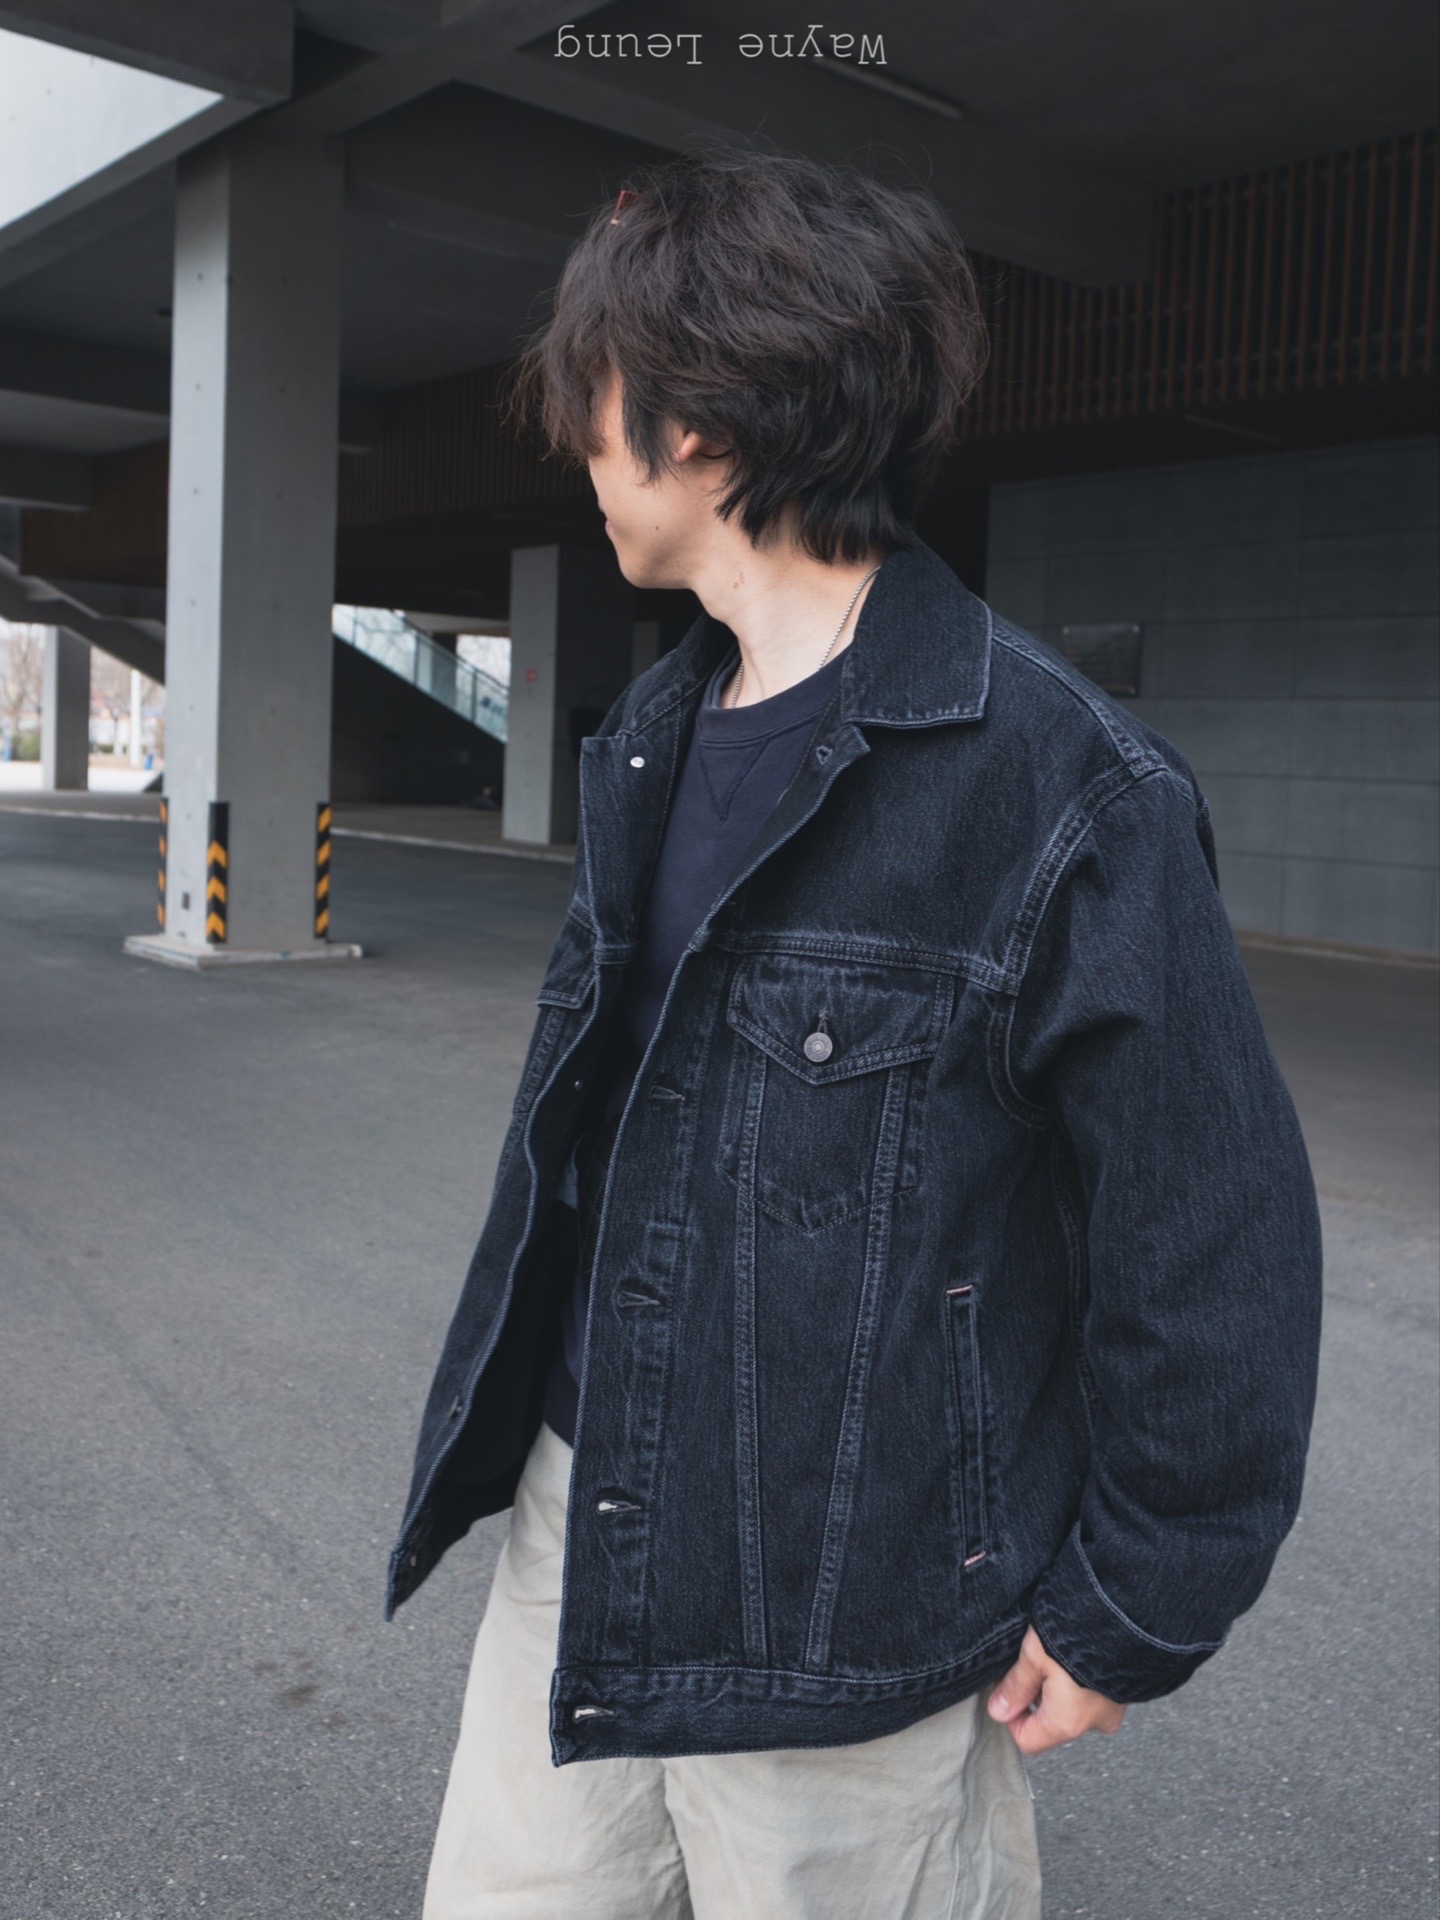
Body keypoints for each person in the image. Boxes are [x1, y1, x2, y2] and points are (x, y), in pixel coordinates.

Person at [391, 151, 1323, 1919]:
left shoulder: (1061, 783)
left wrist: (1139, 1601)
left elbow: (1208, 1231)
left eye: (598, 401)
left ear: (699, 427)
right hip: (584, 1515)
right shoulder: (655, 733)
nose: (580, 447)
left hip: (852, 1590)